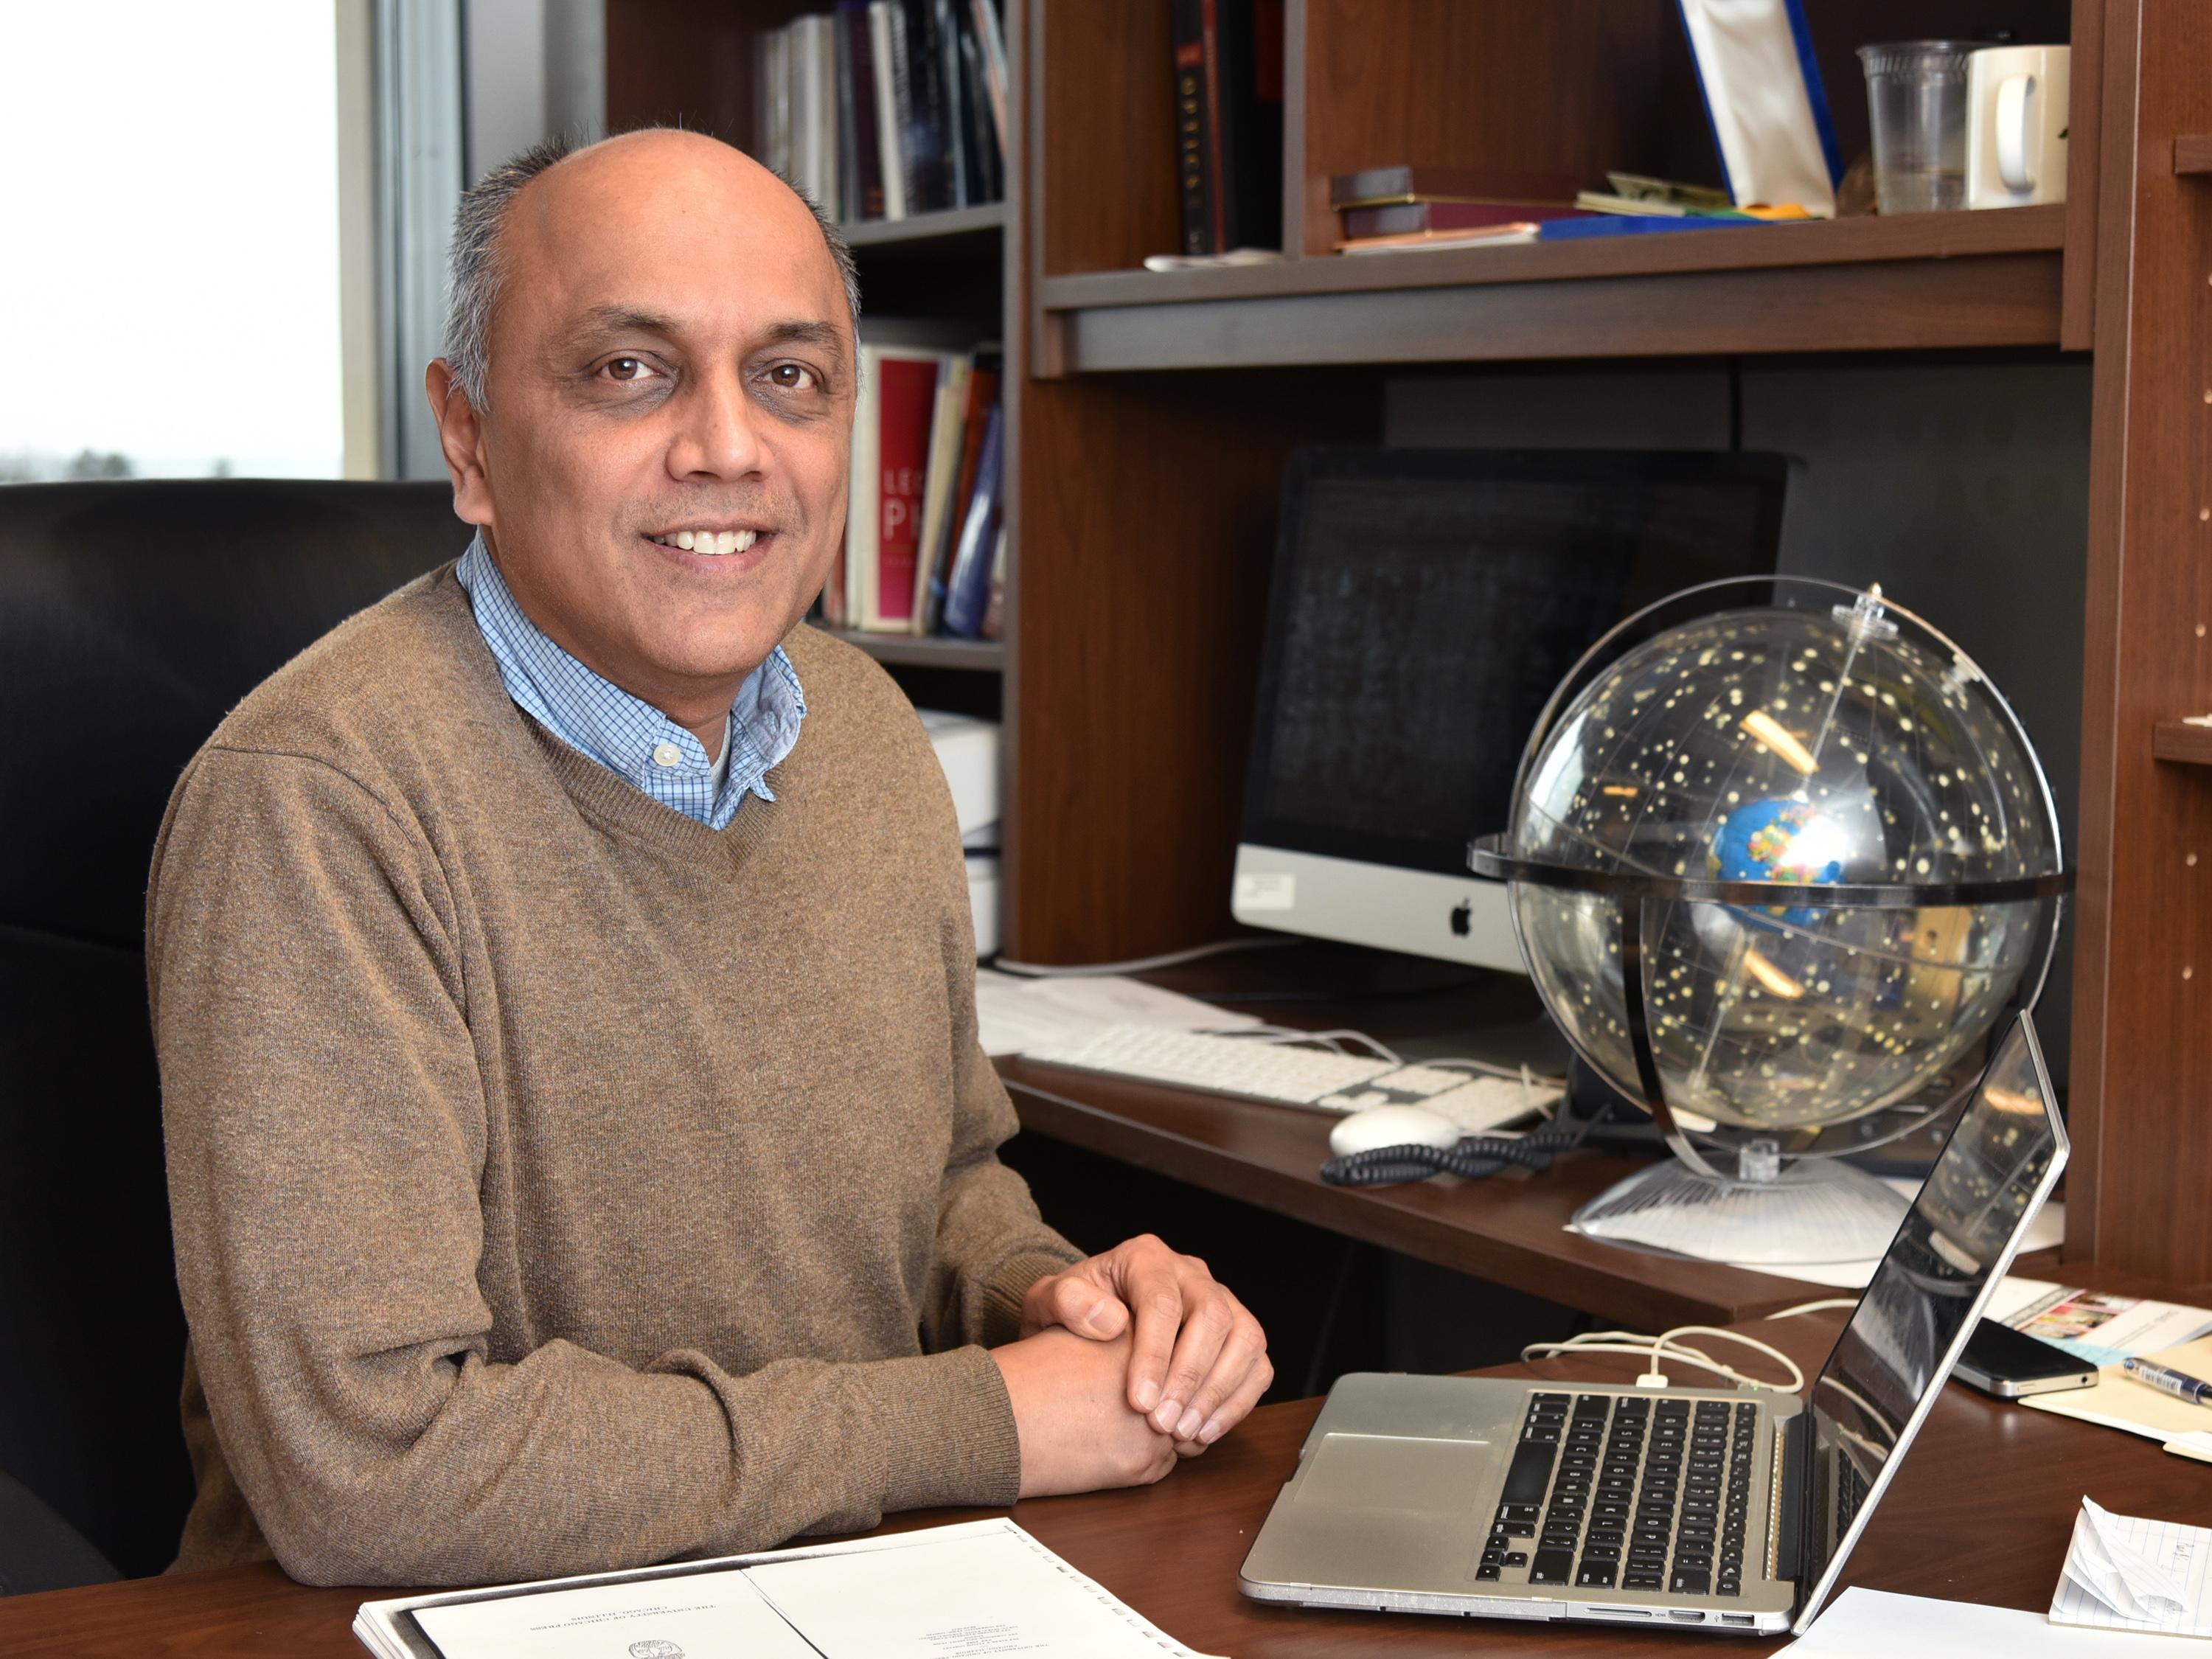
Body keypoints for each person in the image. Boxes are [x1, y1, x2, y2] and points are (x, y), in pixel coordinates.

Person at [147, 128, 1269, 1587]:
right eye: (632, 369)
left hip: (832, 1584)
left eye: (789, 377)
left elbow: (942, 1188)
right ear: (472, 438)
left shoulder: (861, 729)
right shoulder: (316, 801)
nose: (729, 447)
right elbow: (370, 1471)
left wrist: (1065, 1306)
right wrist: (980, 1421)